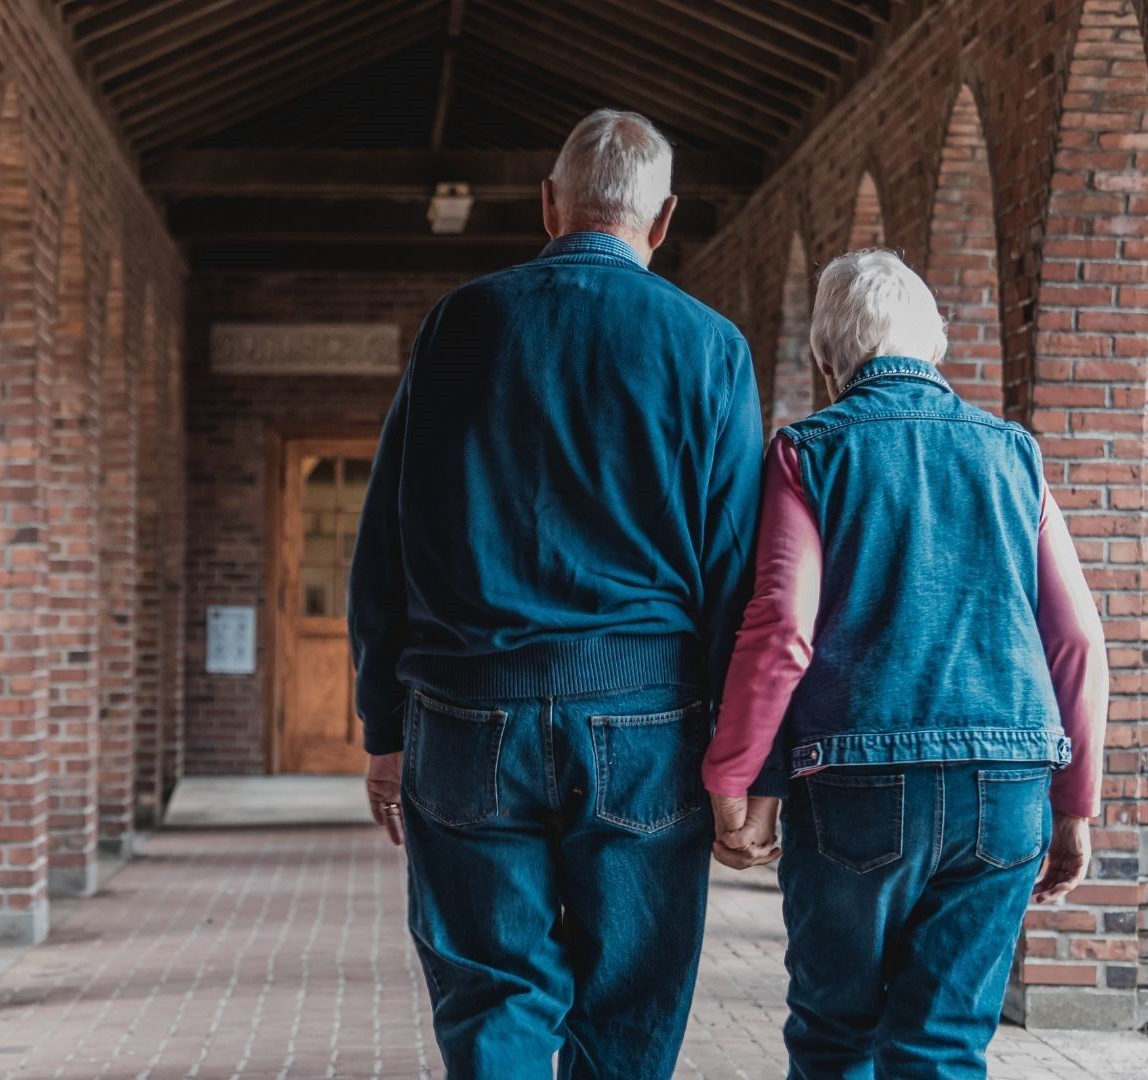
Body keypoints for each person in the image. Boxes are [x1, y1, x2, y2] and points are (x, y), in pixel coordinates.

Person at [347, 109, 765, 1079]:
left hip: (463, 709)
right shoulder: (706, 345)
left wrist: (382, 729)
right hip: (646, 717)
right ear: (662, 221)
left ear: (547, 203)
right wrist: (741, 760)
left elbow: (385, 540)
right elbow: (737, 571)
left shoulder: (463, 321)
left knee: (490, 991)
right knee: (628, 999)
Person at [703, 249, 1107, 1078]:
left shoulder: (807, 452)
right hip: (1007, 782)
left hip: (857, 782)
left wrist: (738, 776)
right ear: (938, 347)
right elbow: (1075, 639)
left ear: (825, 360)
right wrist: (1075, 801)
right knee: (948, 1042)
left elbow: (783, 626)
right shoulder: (1015, 455)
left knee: (835, 1035)